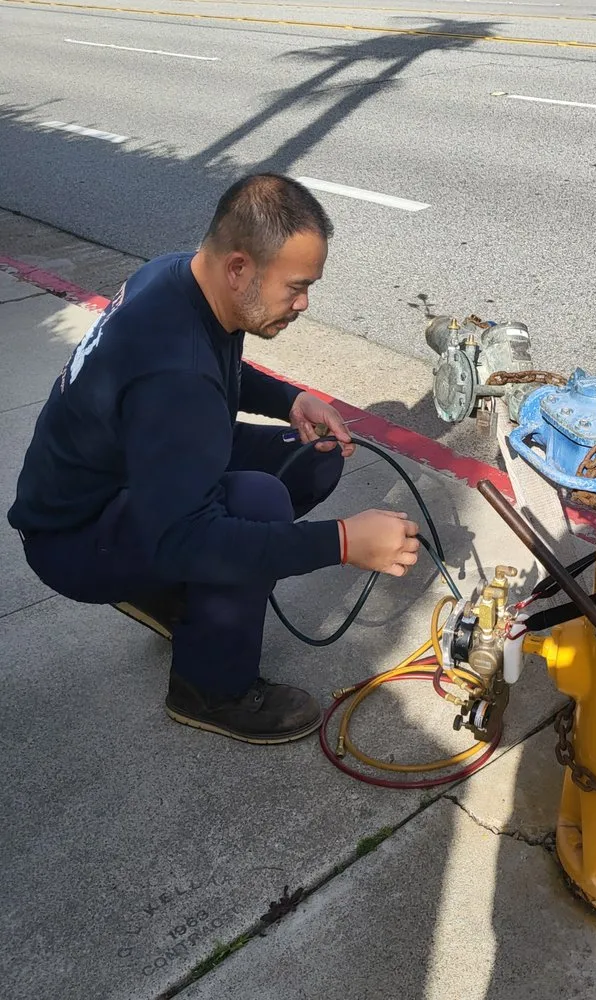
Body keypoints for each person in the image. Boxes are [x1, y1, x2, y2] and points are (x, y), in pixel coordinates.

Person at [7, 173, 421, 745]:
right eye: (296, 287)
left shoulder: (179, 275)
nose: (304, 303)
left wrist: (288, 399)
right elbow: (188, 534)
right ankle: (211, 689)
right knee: (258, 503)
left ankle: (175, 594)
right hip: (75, 537)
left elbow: (216, 362)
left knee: (315, 457)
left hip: (130, 473)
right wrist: (344, 542)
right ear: (239, 268)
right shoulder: (177, 377)